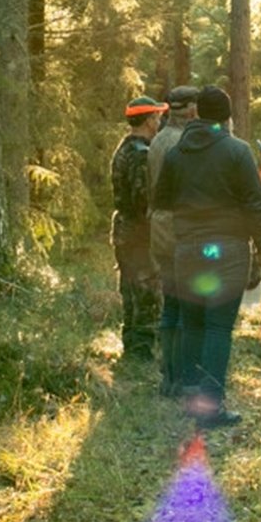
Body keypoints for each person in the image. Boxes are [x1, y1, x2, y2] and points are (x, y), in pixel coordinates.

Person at [153, 86, 261, 428]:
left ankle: (193, 399)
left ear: (196, 114)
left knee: (192, 323)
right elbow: (254, 205)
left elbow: (162, 200)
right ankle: (212, 407)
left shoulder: (177, 153)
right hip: (227, 250)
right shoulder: (236, 151)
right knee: (219, 327)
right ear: (227, 117)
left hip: (188, 248)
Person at [148, 85, 199, 396]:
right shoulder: (185, 143)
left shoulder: (158, 140)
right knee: (186, 305)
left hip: (160, 227)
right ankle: (182, 375)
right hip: (182, 229)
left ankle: (168, 373)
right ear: (191, 110)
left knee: (170, 304)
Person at [110, 95, 168, 362]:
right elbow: (143, 199)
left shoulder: (123, 148)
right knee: (146, 293)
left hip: (124, 230)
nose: (160, 121)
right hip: (140, 233)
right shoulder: (142, 155)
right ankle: (141, 351)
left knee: (130, 290)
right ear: (148, 120)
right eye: (156, 117)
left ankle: (132, 346)